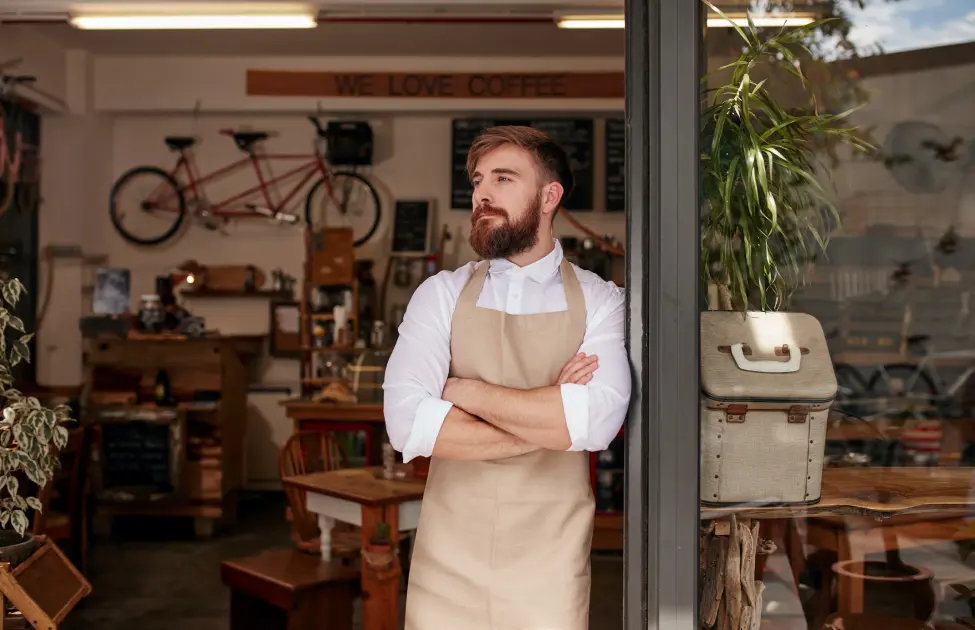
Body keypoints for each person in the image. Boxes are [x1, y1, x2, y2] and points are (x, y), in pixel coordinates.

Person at [382, 125, 631, 630]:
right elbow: (407, 425)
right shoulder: (440, 294)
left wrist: (464, 392)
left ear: (549, 197)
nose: (482, 195)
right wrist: (552, 413)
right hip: (446, 561)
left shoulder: (602, 300)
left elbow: (596, 423)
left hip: (551, 564)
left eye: (503, 178)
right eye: (478, 181)